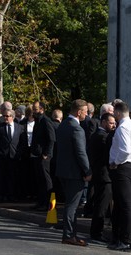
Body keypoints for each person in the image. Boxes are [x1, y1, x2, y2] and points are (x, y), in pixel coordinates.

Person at [56, 99, 92, 247]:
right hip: (74, 173)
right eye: (85, 112)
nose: (86, 114)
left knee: (69, 204)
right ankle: (69, 235)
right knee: (72, 206)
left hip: (63, 171)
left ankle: (70, 234)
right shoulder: (77, 129)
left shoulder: (63, 125)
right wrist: (87, 170)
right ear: (79, 112)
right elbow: (80, 153)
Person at [108, 101, 131, 251]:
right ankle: (120, 238)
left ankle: (126, 240)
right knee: (121, 205)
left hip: (123, 167)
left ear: (118, 113)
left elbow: (126, 150)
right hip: (130, 167)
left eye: (114, 112)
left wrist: (115, 161)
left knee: (125, 205)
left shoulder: (123, 127)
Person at [89, 113, 116, 242]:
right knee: (102, 205)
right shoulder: (102, 137)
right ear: (104, 122)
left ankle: (96, 230)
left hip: (100, 174)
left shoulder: (98, 135)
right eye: (111, 123)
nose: (113, 125)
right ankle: (97, 232)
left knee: (101, 203)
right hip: (103, 175)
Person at [0, 109, 26, 202]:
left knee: (13, 176)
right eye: (4, 116)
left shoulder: (19, 128)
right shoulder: (0, 127)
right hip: (2, 156)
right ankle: (2, 195)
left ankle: (12, 194)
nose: (5, 118)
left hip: (14, 156)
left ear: (12, 117)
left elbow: (22, 142)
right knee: (2, 176)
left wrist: (19, 153)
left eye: (7, 116)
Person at [30, 101, 55, 211]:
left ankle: (47, 204)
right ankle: (41, 201)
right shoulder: (38, 121)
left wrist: (46, 153)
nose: (34, 111)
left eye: (35, 109)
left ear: (41, 109)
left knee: (46, 179)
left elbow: (51, 138)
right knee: (39, 179)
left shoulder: (45, 121)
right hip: (37, 154)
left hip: (43, 156)